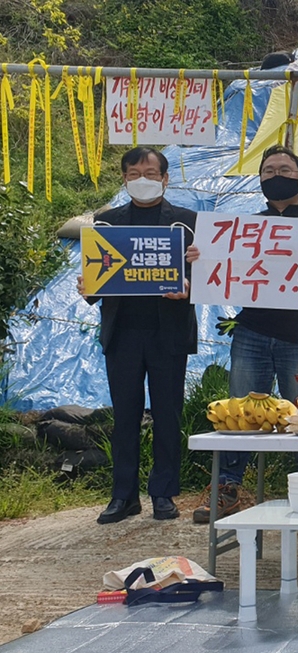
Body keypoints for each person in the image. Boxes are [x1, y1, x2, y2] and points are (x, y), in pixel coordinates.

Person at [187, 145, 298, 523]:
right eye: (267, 171)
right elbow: (218, 268)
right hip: (252, 333)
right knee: (240, 414)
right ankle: (227, 488)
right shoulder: (242, 229)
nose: (275, 176)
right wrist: (201, 260)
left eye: (284, 169)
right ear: (260, 180)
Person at [78, 147, 196, 524]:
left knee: (167, 415)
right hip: (123, 333)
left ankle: (163, 493)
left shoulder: (187, 223)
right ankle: (123, 496)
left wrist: (192, 286)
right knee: (125, 417)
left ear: (165, 178)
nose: (141, 180)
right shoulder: (107, 222)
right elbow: (96, 279)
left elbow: (211, 279)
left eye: (150, 172)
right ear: (124, 178)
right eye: (133, 174)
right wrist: (87, 286)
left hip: (169, 333)